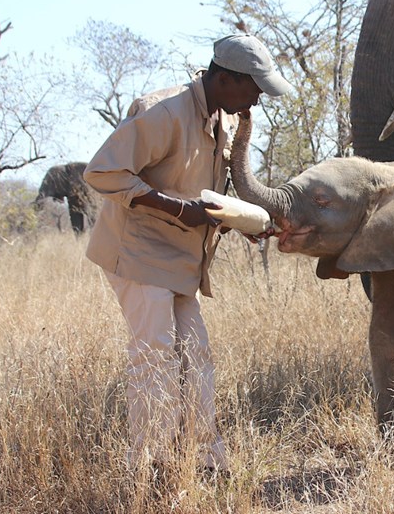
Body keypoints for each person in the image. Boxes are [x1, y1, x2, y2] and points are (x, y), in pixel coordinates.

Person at [84, 33, 291, 476]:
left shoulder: (227, 119)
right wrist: (178, 209)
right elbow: (103, 172)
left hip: (182, 259)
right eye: (254, 86)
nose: (257, 97)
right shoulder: (163, 111)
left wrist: (239, 221)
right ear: (226, 78)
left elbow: (206, 192)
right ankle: (149, 468)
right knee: (155, 354)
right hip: (139, 251)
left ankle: (205, 460)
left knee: (195, 354)